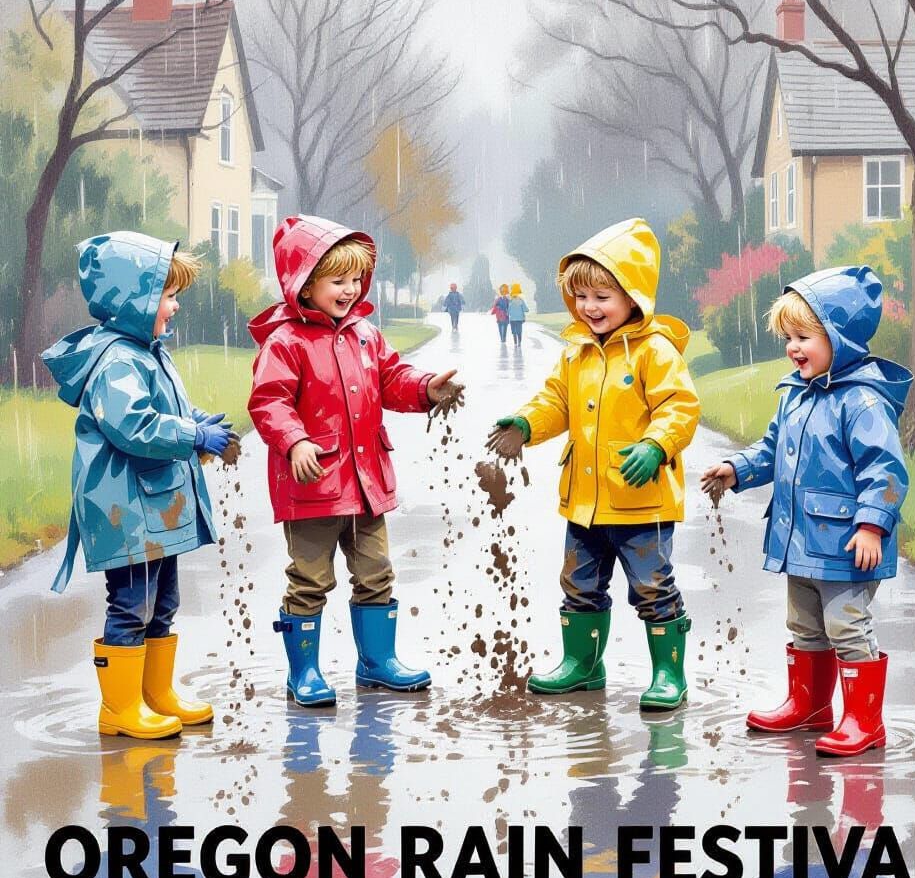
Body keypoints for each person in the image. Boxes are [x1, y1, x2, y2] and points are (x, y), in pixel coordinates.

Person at [248, 215, 464, 707]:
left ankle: (376, 662)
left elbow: (392, 377)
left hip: (366, 483)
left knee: (375, 571)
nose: (349, 290)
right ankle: (303, 672)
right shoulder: (286, 343)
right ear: (304, 284)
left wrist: (427, 388)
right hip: (314, 484)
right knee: (310, 579)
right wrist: (296, 441)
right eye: (336, 280)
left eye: (354, 280)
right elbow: (269, 402)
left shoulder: (365, 335)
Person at [486, 218, 700, 710]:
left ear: (633, 295)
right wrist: (524, 424)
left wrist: (656, 444)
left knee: (653, 586)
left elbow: (680, 408)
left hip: (642, 503)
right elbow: (555, 402)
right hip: (584, 504)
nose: (589, 307)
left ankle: (669, 672)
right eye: (581, 296)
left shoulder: (655, 352)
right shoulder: (576, 355)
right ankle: (583, 664)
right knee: (579, 585)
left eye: (602, 296)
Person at [700, 266, 911, 757]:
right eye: (787, 338)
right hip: (801, 543)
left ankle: (864, 720)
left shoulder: (862, 402)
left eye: (804, 337)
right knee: (805, 625)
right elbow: (773, 449)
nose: (793, 348)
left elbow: (885, 470)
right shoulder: (796, 395)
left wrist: (871, 526)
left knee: (847, 625)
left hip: (846, 546)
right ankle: (810, 705)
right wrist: (737, 468)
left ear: (840, 338)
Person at [42, 233, 232, 739]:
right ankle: (120, 708)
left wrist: (195, 422)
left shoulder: (146, 352)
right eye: (168, 295)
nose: (175, 306)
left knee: (161, 603)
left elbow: (164, 412)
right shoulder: (119, 361)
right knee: (132, 606)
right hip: (126, 510)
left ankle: (155, 694)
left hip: (151, 509)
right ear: (136, 298)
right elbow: (136, 427)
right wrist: (193, 436)